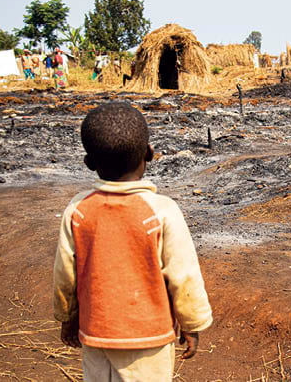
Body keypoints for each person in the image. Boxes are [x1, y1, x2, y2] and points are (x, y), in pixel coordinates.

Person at [53, 103, 212, 381]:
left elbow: (65, 275)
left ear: (89, 163)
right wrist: (192, 323)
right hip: (148, 339)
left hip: (95, 333)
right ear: (149, 154)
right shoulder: (162, 211)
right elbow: (184, 276)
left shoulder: (78, 210)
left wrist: (67, 317)